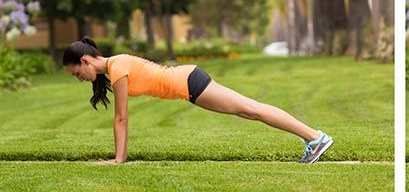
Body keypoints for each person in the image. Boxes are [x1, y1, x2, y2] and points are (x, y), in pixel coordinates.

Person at [62, 37, 333, 164]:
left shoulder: (118, 67)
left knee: (251, 109)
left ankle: (314, 137)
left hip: (189, 82)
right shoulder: (115, 66)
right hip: (188, 85)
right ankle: (312, 137)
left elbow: (121, 117)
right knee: (249, 111)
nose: (80, 79)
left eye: (77, 73)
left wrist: (119, 159)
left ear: (85, 60)